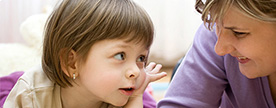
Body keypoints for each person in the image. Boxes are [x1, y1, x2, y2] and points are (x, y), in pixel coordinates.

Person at [3, 0, 167, 107]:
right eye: (120, 55)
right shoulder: (31, 96)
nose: (136, 71)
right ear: (71, 63)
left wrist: (136, 97)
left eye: (141, 58)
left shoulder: (121, 95)